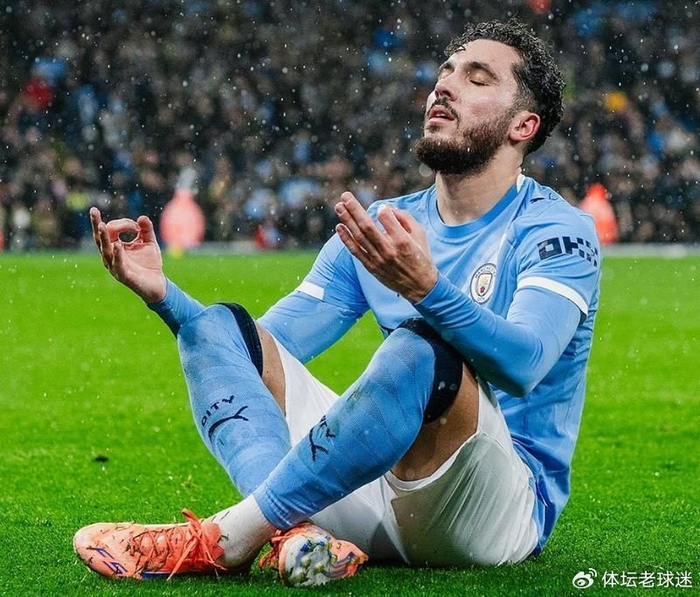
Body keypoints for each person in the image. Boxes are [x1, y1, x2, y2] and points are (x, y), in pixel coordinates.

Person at [74, 19, 600, 587]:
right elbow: (254, 363)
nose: (445, 86)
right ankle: (295, 537)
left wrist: (428, 290)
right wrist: (166, 299)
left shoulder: (556, 230)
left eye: (477, 79)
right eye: (445, 72)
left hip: (490, 511)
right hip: (373, 489)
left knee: (419, 349)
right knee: (218, 328)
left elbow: (525, 365)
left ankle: (227, 537)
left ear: (524, 125)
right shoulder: (383, 224)